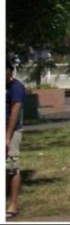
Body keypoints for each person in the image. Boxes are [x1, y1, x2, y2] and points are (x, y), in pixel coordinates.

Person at [6, 61, 25, 218]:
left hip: (11, 130)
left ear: (10, 71)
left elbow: (15, 112)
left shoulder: (16, 87)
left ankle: (13, 205)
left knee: (11, 167)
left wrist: (7, 136)